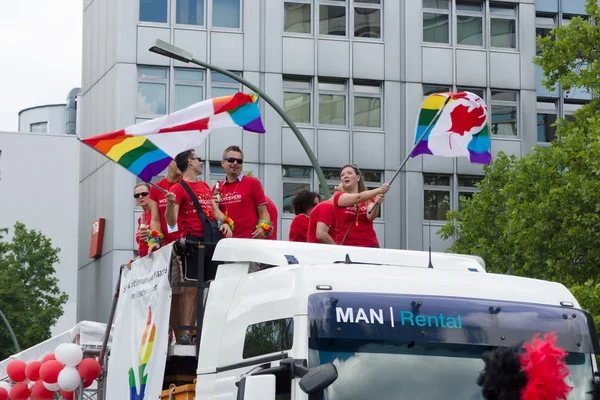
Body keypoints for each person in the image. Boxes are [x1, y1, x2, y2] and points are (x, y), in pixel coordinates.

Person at [165, 150, 232, 345]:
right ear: (189, 162)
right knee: (192, 287)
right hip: (193, 241)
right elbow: (171, 222)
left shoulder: (203, 185)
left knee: (211, 286)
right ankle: (186, 331)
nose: (201, 162)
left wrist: (225, 222)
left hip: (211, 239)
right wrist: (170, 205)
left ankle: (207, 330)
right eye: (198, 159)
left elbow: (214, 211)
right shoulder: (178, 189)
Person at [148, 159, 183, 343]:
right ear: (169, 162)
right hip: (167, 248)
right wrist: (154, 239)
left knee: (187, 293)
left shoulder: (186, 184)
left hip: (186, 246)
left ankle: (186, 335)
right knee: (171, 294)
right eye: (178, 161)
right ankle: (173, 337)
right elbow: (154, 219)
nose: (181, 164)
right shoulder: (157, 188)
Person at [213, 146, 272, 239]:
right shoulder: (217, 188)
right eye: (231, 160)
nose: (235, 163)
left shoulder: (253, 182)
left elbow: (263, 212)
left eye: (239, 161)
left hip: (248, 240)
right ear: (223, 163)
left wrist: (262, 228)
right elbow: (214, 215)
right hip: (225, 242)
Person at [333, 164, 389, 247]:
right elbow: (359, 197)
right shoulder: (338, 196)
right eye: (342, 175)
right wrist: (379, 190)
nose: (345, 176)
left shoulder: (368, 198)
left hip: (369, 244)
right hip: (346, 245)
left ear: (358, 177)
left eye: (349, 173)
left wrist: (377, 204)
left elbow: (371, 216)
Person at [134, 183, 152, 257]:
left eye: (144, 194)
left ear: (151, 194)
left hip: (158, 258)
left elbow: (167, 237)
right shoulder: (141, 218)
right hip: (145, 260)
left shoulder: (157, 213)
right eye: (137, 195)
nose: (140, 197)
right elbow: (142, 245)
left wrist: (151, 234)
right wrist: (137, 258)